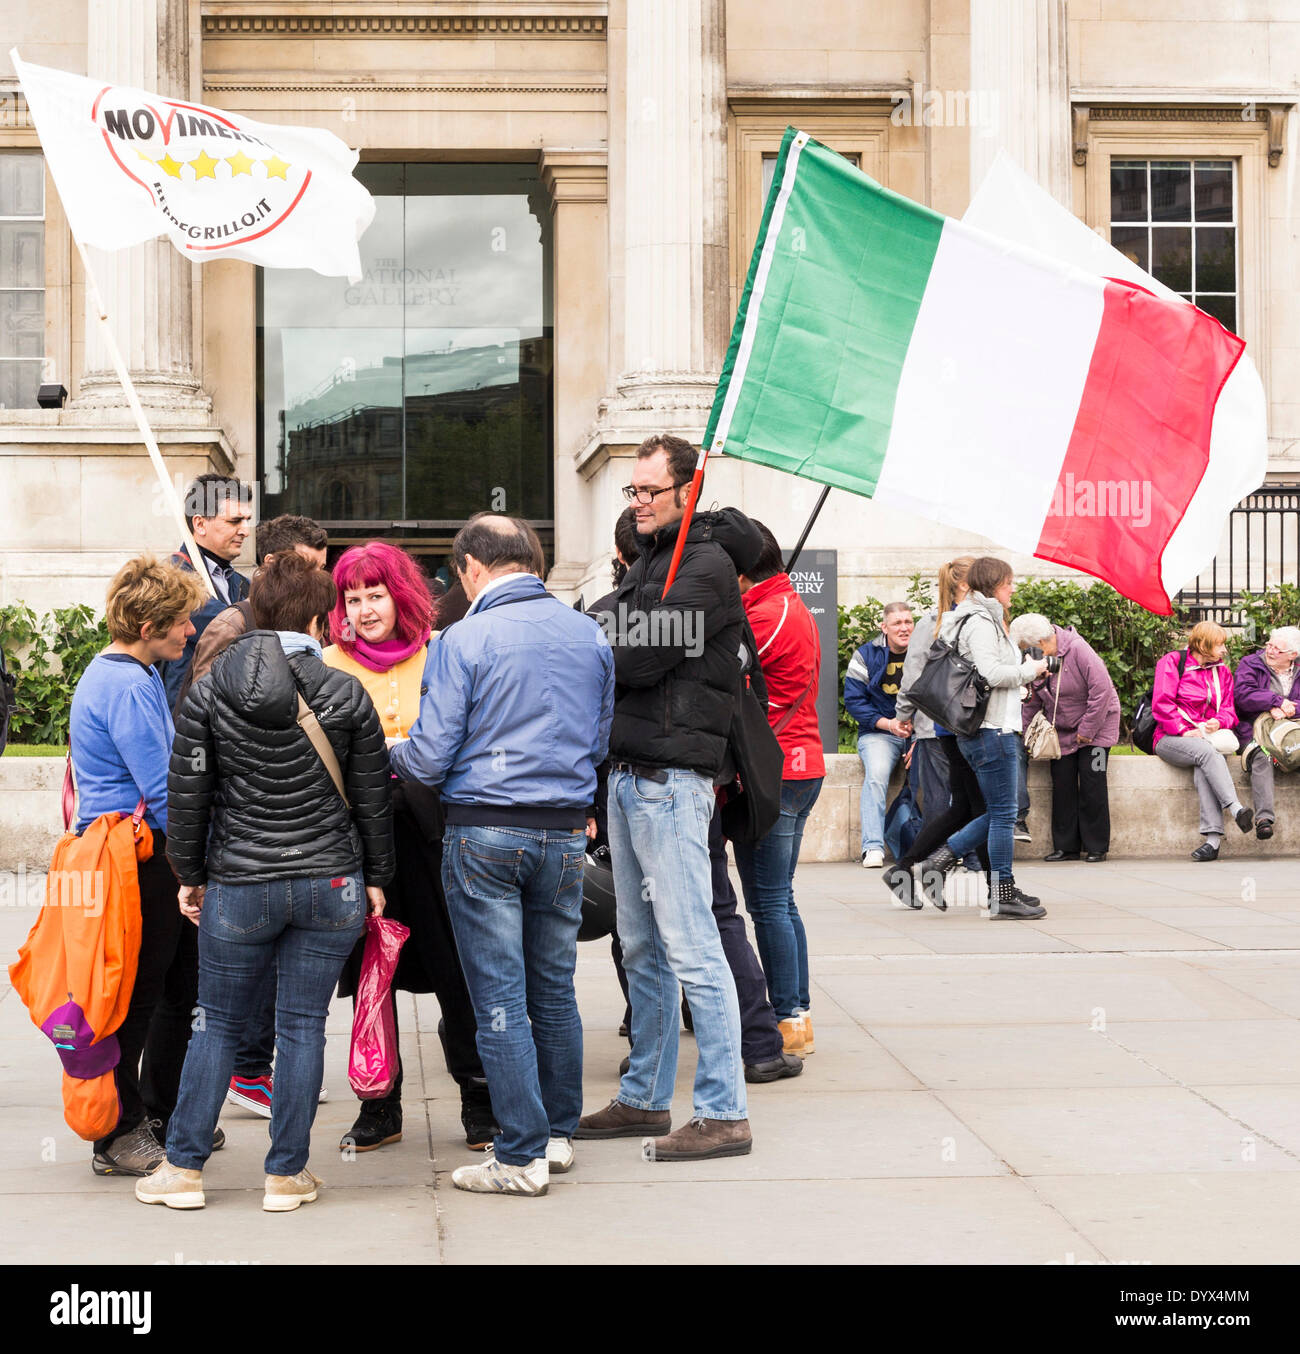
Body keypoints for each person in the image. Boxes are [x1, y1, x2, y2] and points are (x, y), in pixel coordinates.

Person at [136, 552, 394, 1212]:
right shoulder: (345, 691)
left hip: (239, 883)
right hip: (329, 881)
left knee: (215, 1024)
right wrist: (376, 878)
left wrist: (188, 874)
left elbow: (187, 791)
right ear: (317, 617)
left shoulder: (212, 688)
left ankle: (184, 1169)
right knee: (304, 1027)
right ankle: (286, 1174)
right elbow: (371, 798)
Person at [391, 515, 613, 1198]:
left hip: (485, 830)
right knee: (553, 988)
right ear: (533, 561)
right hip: (563, 832)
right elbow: (600, 739)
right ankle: (556, 1136)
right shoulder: (589, 633)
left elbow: (428, 757)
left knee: (498, 999)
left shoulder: (463, 638)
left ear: (469, 568)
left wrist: (382, 751)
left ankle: (518, 1155)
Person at [577, 432, 752, 1162]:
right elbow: (601, 629)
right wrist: (612, 632)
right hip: (627, 772)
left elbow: (639, 658)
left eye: (650, 491)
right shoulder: (651, 560)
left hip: (674, 781)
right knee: (640, 942)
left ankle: (725, 1110)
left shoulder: (706, 565)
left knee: (690, 944)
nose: (639, 502)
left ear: (689, 490)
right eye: (633, 491)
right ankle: (646, 1097)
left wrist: (611, 636)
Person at [150, 512, 330, 1121]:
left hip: (288, 838)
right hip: (242, 831)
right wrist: (191, 866)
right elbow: (194, 739)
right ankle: (237, 1086)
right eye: (309, 569)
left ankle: (216, 1136)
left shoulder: (318, 646)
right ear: (278, 568)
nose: (319, 585)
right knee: (223, 1000)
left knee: (287, 1001)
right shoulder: (231, 623)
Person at [323, 540, 498, 1153]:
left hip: (436, 838)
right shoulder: (325, 665)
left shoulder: (443, 653)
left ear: (400, 596)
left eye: (376, 596)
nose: (365, 610)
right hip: (359, 846)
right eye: (353, 598)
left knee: (458, 970)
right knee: (372, 971)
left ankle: (479, 1096)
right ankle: (379, 1103)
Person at [68, 557, 208, 1177]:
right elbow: (166, 785)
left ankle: (156, 1113)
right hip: (136, 856)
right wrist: (199, 863)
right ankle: (120, 1132)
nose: (192, 631)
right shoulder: (126, 683)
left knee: (173, 987)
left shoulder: (127, 669)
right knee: (137, 996)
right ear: (150, 623)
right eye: (181, 621)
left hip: (135, 852)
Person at [733, 521, 824, 1055]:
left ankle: (789, 1016)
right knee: (779, 900)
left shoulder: (764, 615)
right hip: (796, 764)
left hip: (779, 770)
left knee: (768, 903)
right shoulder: (785, 604)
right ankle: (797, 1014)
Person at [917, 557, 1049, 920]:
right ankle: (1000, 894)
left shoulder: (982, 617)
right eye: (1009, 583)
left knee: (1000, 813)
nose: (1013, 589)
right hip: (992, 731)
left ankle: (940, 863)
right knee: (1004, 815)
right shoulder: (979, 621)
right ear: (993, 585)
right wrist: (1030, 670)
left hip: (991, 729)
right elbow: (990, 673)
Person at [886, 557, 991, 909]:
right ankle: (993, 888)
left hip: (948, 727)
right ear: (965, 586)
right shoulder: (935, 623)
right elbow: (914, 678)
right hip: (945, 730)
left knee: (966, 808)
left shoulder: (944, 622)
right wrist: (904, 720)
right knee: (966, 808)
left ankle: (913, 870)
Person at [1009, 613, 1121, 862]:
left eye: (1030, 647)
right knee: (1062, 784)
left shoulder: (1079, 649)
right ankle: (1066, 846)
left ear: (1041, 641)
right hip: (1061, 731)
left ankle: (1096, 846)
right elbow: (1031, 701)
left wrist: (1087, 730)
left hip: (1098, 730)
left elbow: (1101, 691)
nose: (1028, 653)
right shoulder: (1040, 659)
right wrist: (1027, 733)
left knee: (1093, 784)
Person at [1153, 621, 1253, 861]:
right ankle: (1236, 808)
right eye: (1220, 645)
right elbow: (1162, 703)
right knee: (1206, 753)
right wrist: (1183, 729)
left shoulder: (1223, 672)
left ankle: (1212, 842)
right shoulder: (1172, 662)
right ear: (1202, 645)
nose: (1224, 651)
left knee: (1204, 764)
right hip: (1170, 738)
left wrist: (1219, 722)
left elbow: (1230, 709)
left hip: (1206, 739)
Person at [160, 474, 253, 713]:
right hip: (185, 720)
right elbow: (236, 629)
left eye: (247, 520)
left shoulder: (242, 585)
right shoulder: (171, 581)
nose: (246, 530)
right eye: (235, 521)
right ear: (200, 524)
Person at [844, 602, 914, 867]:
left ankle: (940, 848)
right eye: (897, 623)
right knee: (876, 776)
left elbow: (937, 695)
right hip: (879, 733)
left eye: (908, 622)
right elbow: (854, 701)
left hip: (919, 734)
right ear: (884, 627)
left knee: (938, 777)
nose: (904, 628)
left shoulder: (923, 653)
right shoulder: (865, 655)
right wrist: (889, 724)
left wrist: (918, 731)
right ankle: (873, 847)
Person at [1235, 626, 1300, 840]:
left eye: (1277, 649)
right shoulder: (1250, 664)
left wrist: (1290, 709)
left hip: (1291, 729)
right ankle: (1264, 820)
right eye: (1269, 645)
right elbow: (1242, 696)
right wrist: (1275, 701)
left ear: (1293, 655)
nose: (1270, 651)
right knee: (1261, 755)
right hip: (1254, 728)